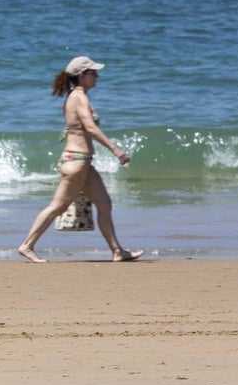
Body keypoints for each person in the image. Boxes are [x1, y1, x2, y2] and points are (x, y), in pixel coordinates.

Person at [17, 56, 144, 264]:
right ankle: (27, 245)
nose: (97, 76)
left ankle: (117, 251)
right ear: (82, 75)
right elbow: (90, 128)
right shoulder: (78, 97)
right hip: (76, 162)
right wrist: (116, 149)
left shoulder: (77, 96)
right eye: (93, 73)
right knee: (57, 207)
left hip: (83, 162)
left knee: (105, 205)